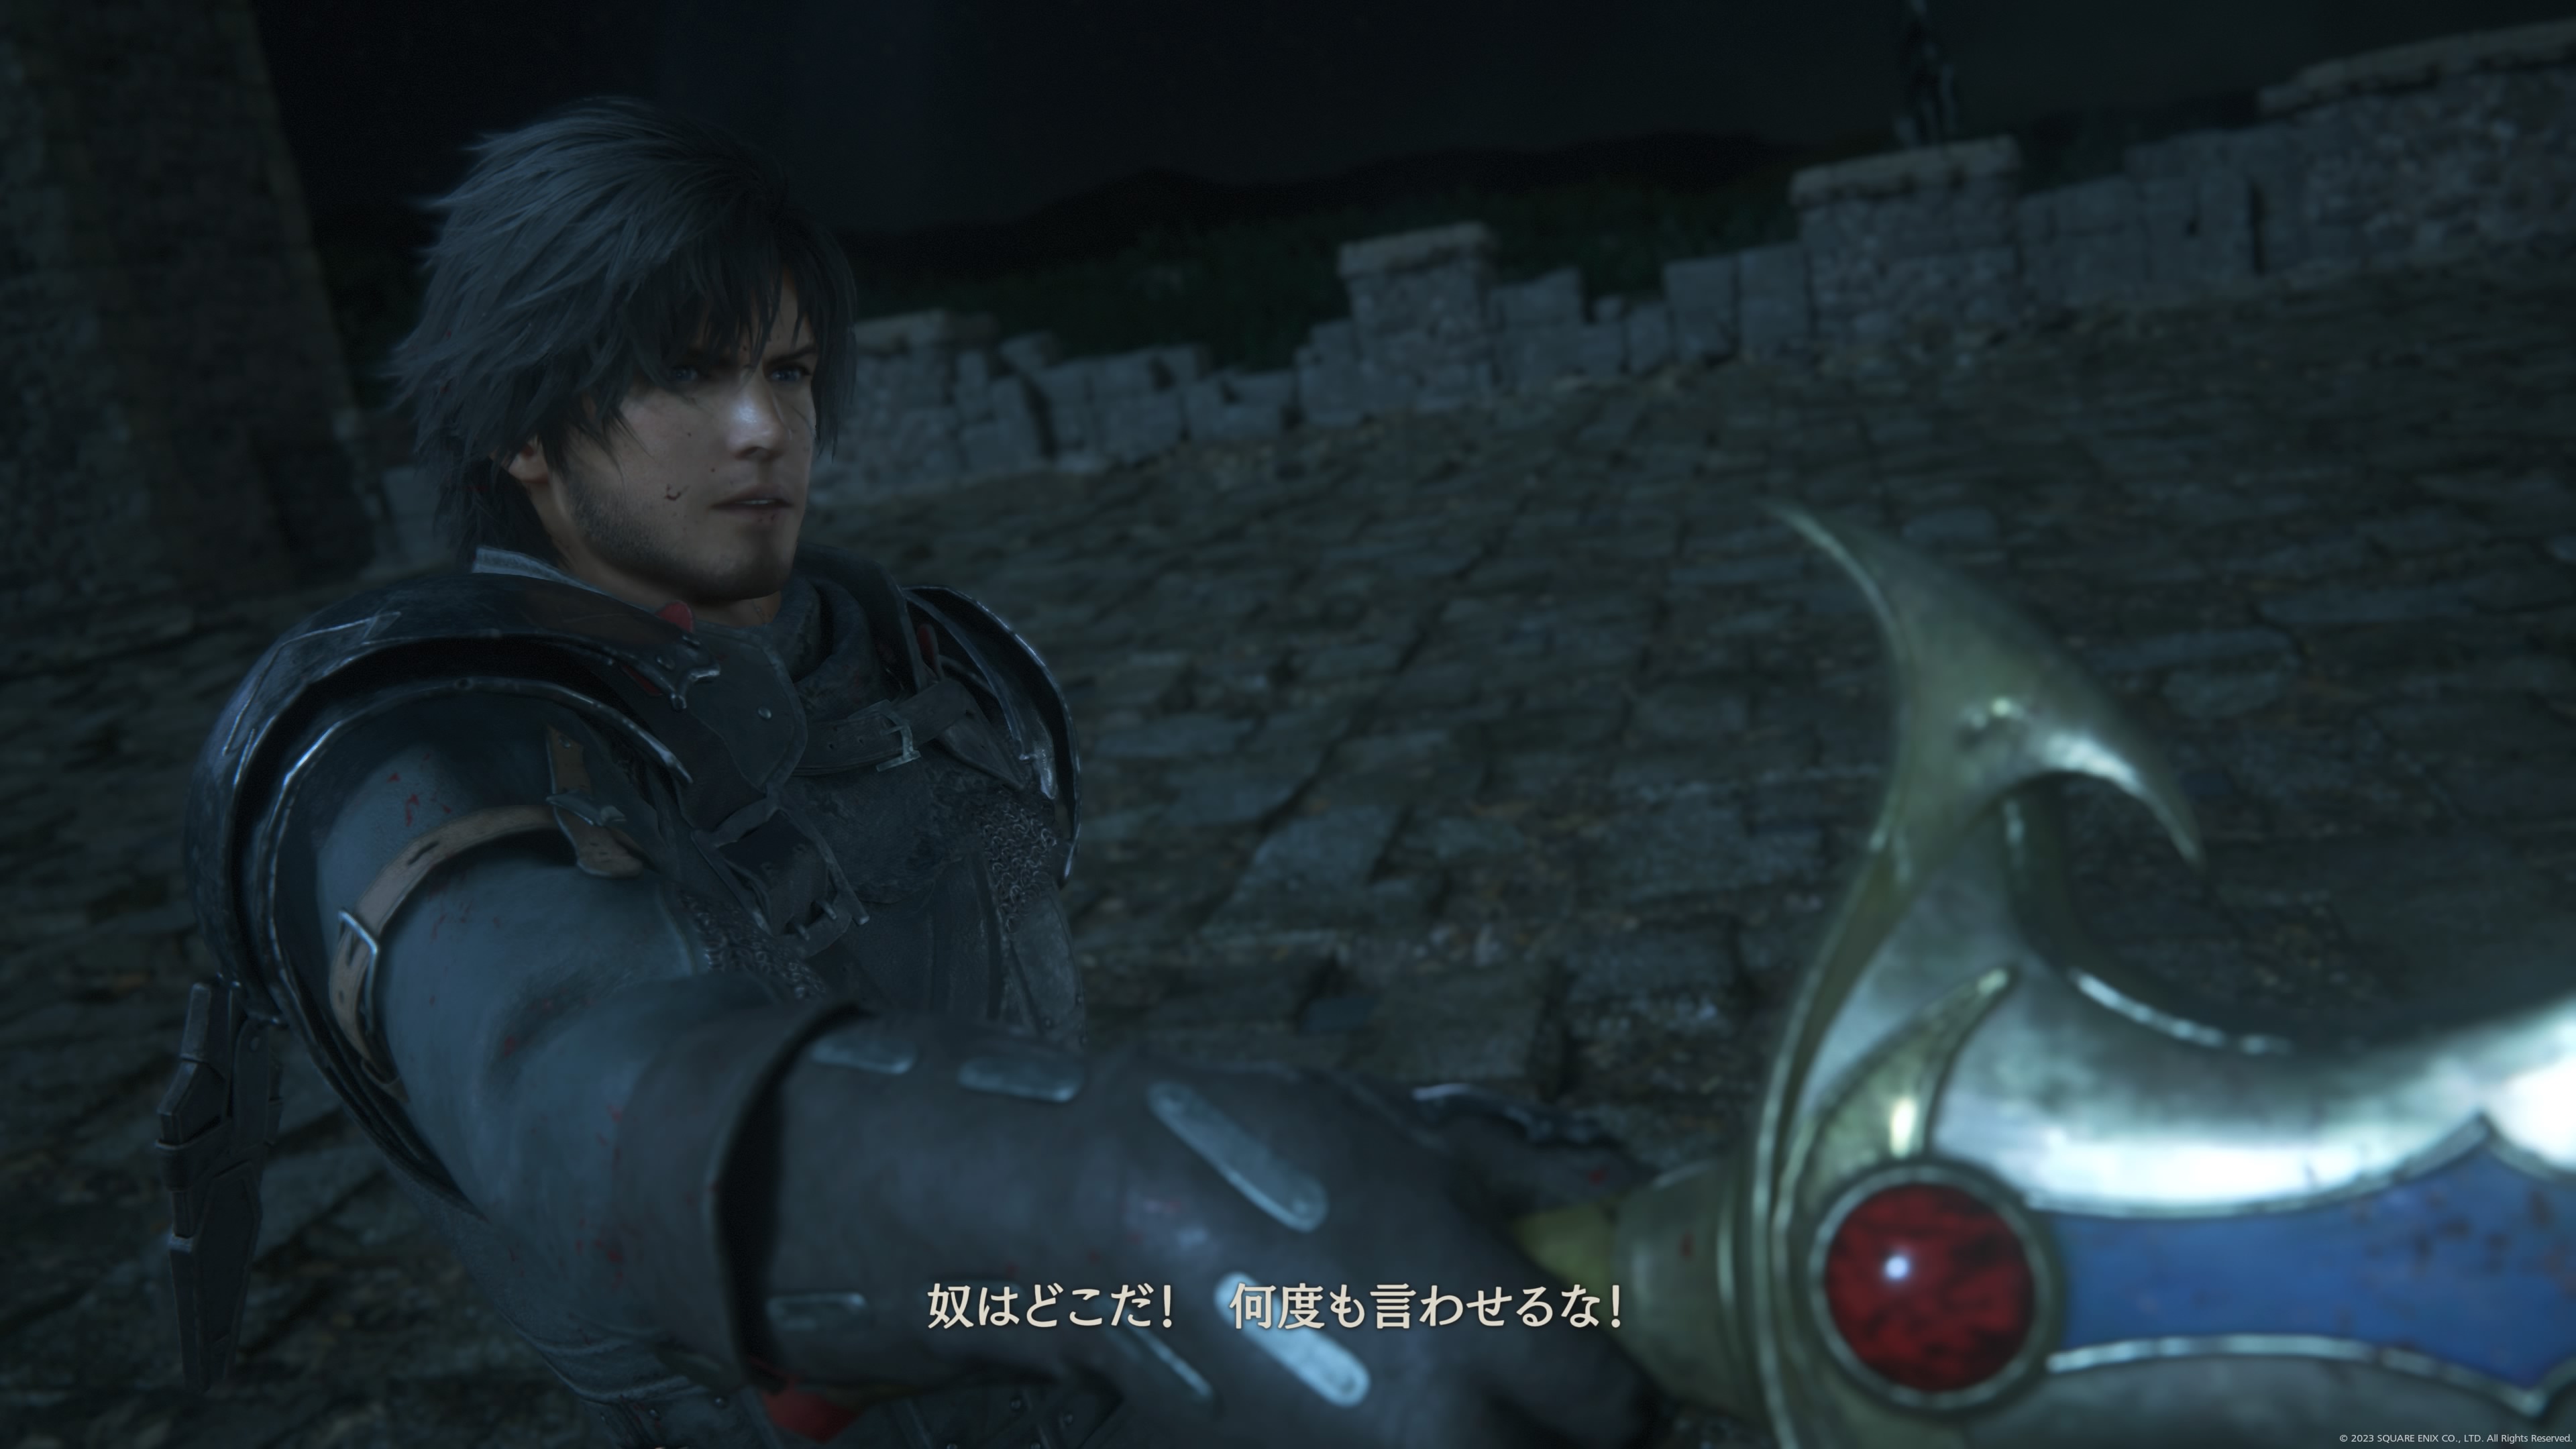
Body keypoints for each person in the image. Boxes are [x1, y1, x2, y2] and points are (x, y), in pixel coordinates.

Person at [180, 99, 1658, 1449]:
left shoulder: (931, 666)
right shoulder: (410, 740)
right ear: (525, 421)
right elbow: (581, 1103)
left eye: (786, 370)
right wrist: (1119, 1197)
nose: (765, 429)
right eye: (685, 373)